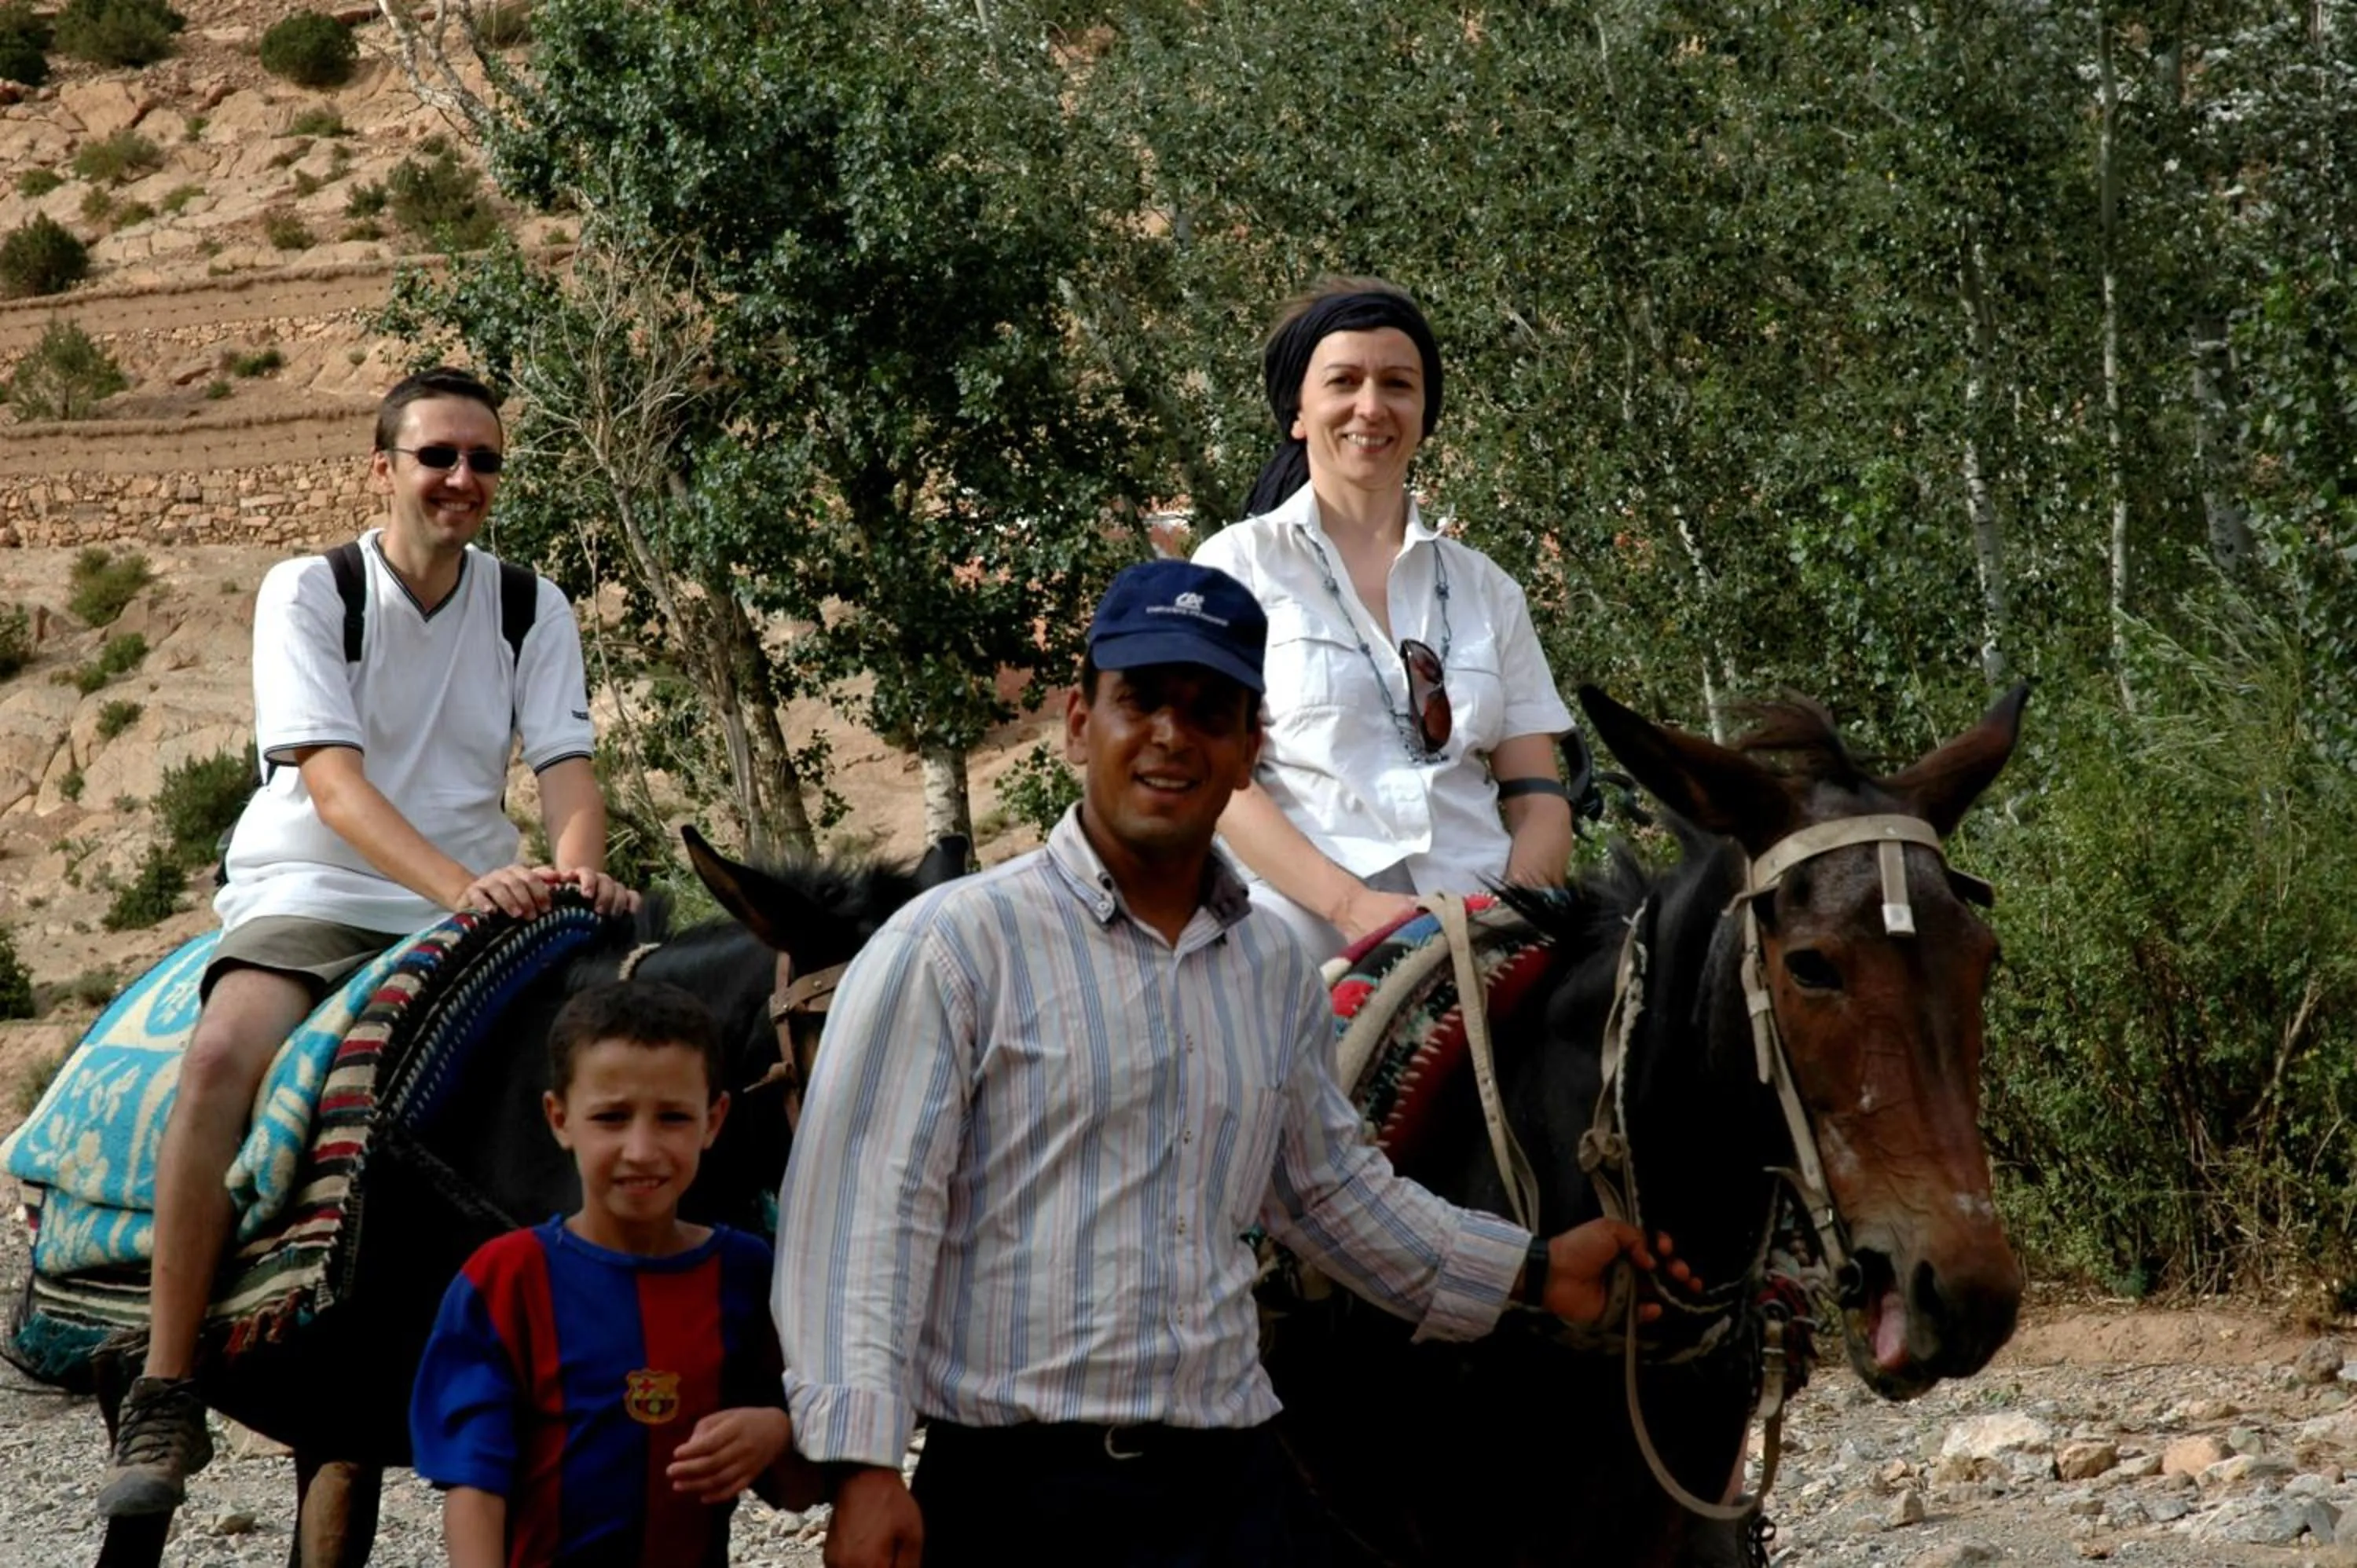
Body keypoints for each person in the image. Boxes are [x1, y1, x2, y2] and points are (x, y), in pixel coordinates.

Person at [775, 559, 1686, 1568]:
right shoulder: (952, 947)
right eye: (1142, 701)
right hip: (1019, 1496)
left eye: (1211, 711)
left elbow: (1330, 1192)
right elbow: (860, 1215)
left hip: (1230, 1480)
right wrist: (860, 1467)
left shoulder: (1270, 970)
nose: (1173, 734)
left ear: (1251, 751)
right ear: (1079, 723)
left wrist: (1535, 1268)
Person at [98, 366, 640, 1519]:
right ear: (383, 467)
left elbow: (567, 771)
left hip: (476, 897)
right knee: (219, 1058)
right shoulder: (311, 590)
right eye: (438, 455)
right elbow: (335, 790)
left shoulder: (530, 605)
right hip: (321, 886)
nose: (462, 478)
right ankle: (168, 1382)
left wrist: (579, 869)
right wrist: (467, 889)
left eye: (483, 460)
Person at [1193, 277, 1577, 960]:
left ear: (1424, 415)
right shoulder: (1235, 569)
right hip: (1303, 937)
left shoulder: (1488, 589)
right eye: (1344, 382)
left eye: (1398, 384)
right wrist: (1351, 907)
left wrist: (1512, 922)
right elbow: (1219, 783)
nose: (1371, 407)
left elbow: (1538, 795)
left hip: (1486, 923)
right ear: (1298, 412)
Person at [410, 981, 819, 1566]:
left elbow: (799, 1491)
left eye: (673, 1117)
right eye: (611, 1117)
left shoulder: (745, 1274)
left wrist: (776, 1431)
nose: (642, 1149)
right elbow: (474, 1486)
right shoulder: (506, 1280)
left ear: (714, 1120)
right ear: (559, 1118)